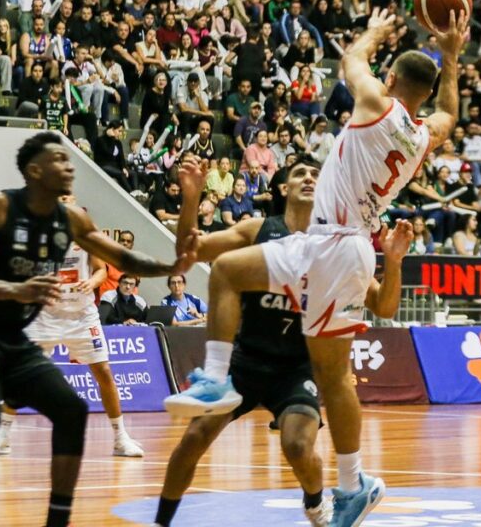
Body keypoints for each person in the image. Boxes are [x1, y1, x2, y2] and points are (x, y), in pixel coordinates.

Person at [163, 7, 469, 527]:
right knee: (230, 271)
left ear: (392, 80)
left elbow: (351, 59)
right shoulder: (422, 136)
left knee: (333, 377)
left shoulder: (376, 104)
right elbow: (450, 116)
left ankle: (352, 482)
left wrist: (375, 31)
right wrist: (453, 57)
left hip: (336, 246)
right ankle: (219, 381)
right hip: (335, 246)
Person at [0, 132, 198, 527]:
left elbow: (122, 257)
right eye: (59, 159)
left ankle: (58, 520)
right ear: (35, 170)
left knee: (71, 410)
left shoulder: (72, 219)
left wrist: (171, 267)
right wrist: (14, 290)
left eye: (69, 159)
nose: (69, 166)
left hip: (14, 337)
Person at [155, 155, 412, 527]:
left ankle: (315, 505)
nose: (309, 178)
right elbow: (188, 252)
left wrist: (395, 262)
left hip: (297, 368)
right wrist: (192, 197)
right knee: (195, 437)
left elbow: (384, 307)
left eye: (316, 174)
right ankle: (161, 522)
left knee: (297, 445)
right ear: (282, 187)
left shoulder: (337, 246)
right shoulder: (258, 229)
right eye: (299, 173)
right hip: (246, 360)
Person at [0, 196, 145, 459]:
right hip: (46, 314)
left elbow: (101, 270)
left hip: (81, 315)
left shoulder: (86, 233)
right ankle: (3, 436)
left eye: (68, 197)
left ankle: (120, 438)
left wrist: (92, 283)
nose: (65, 200)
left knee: (104, 372)